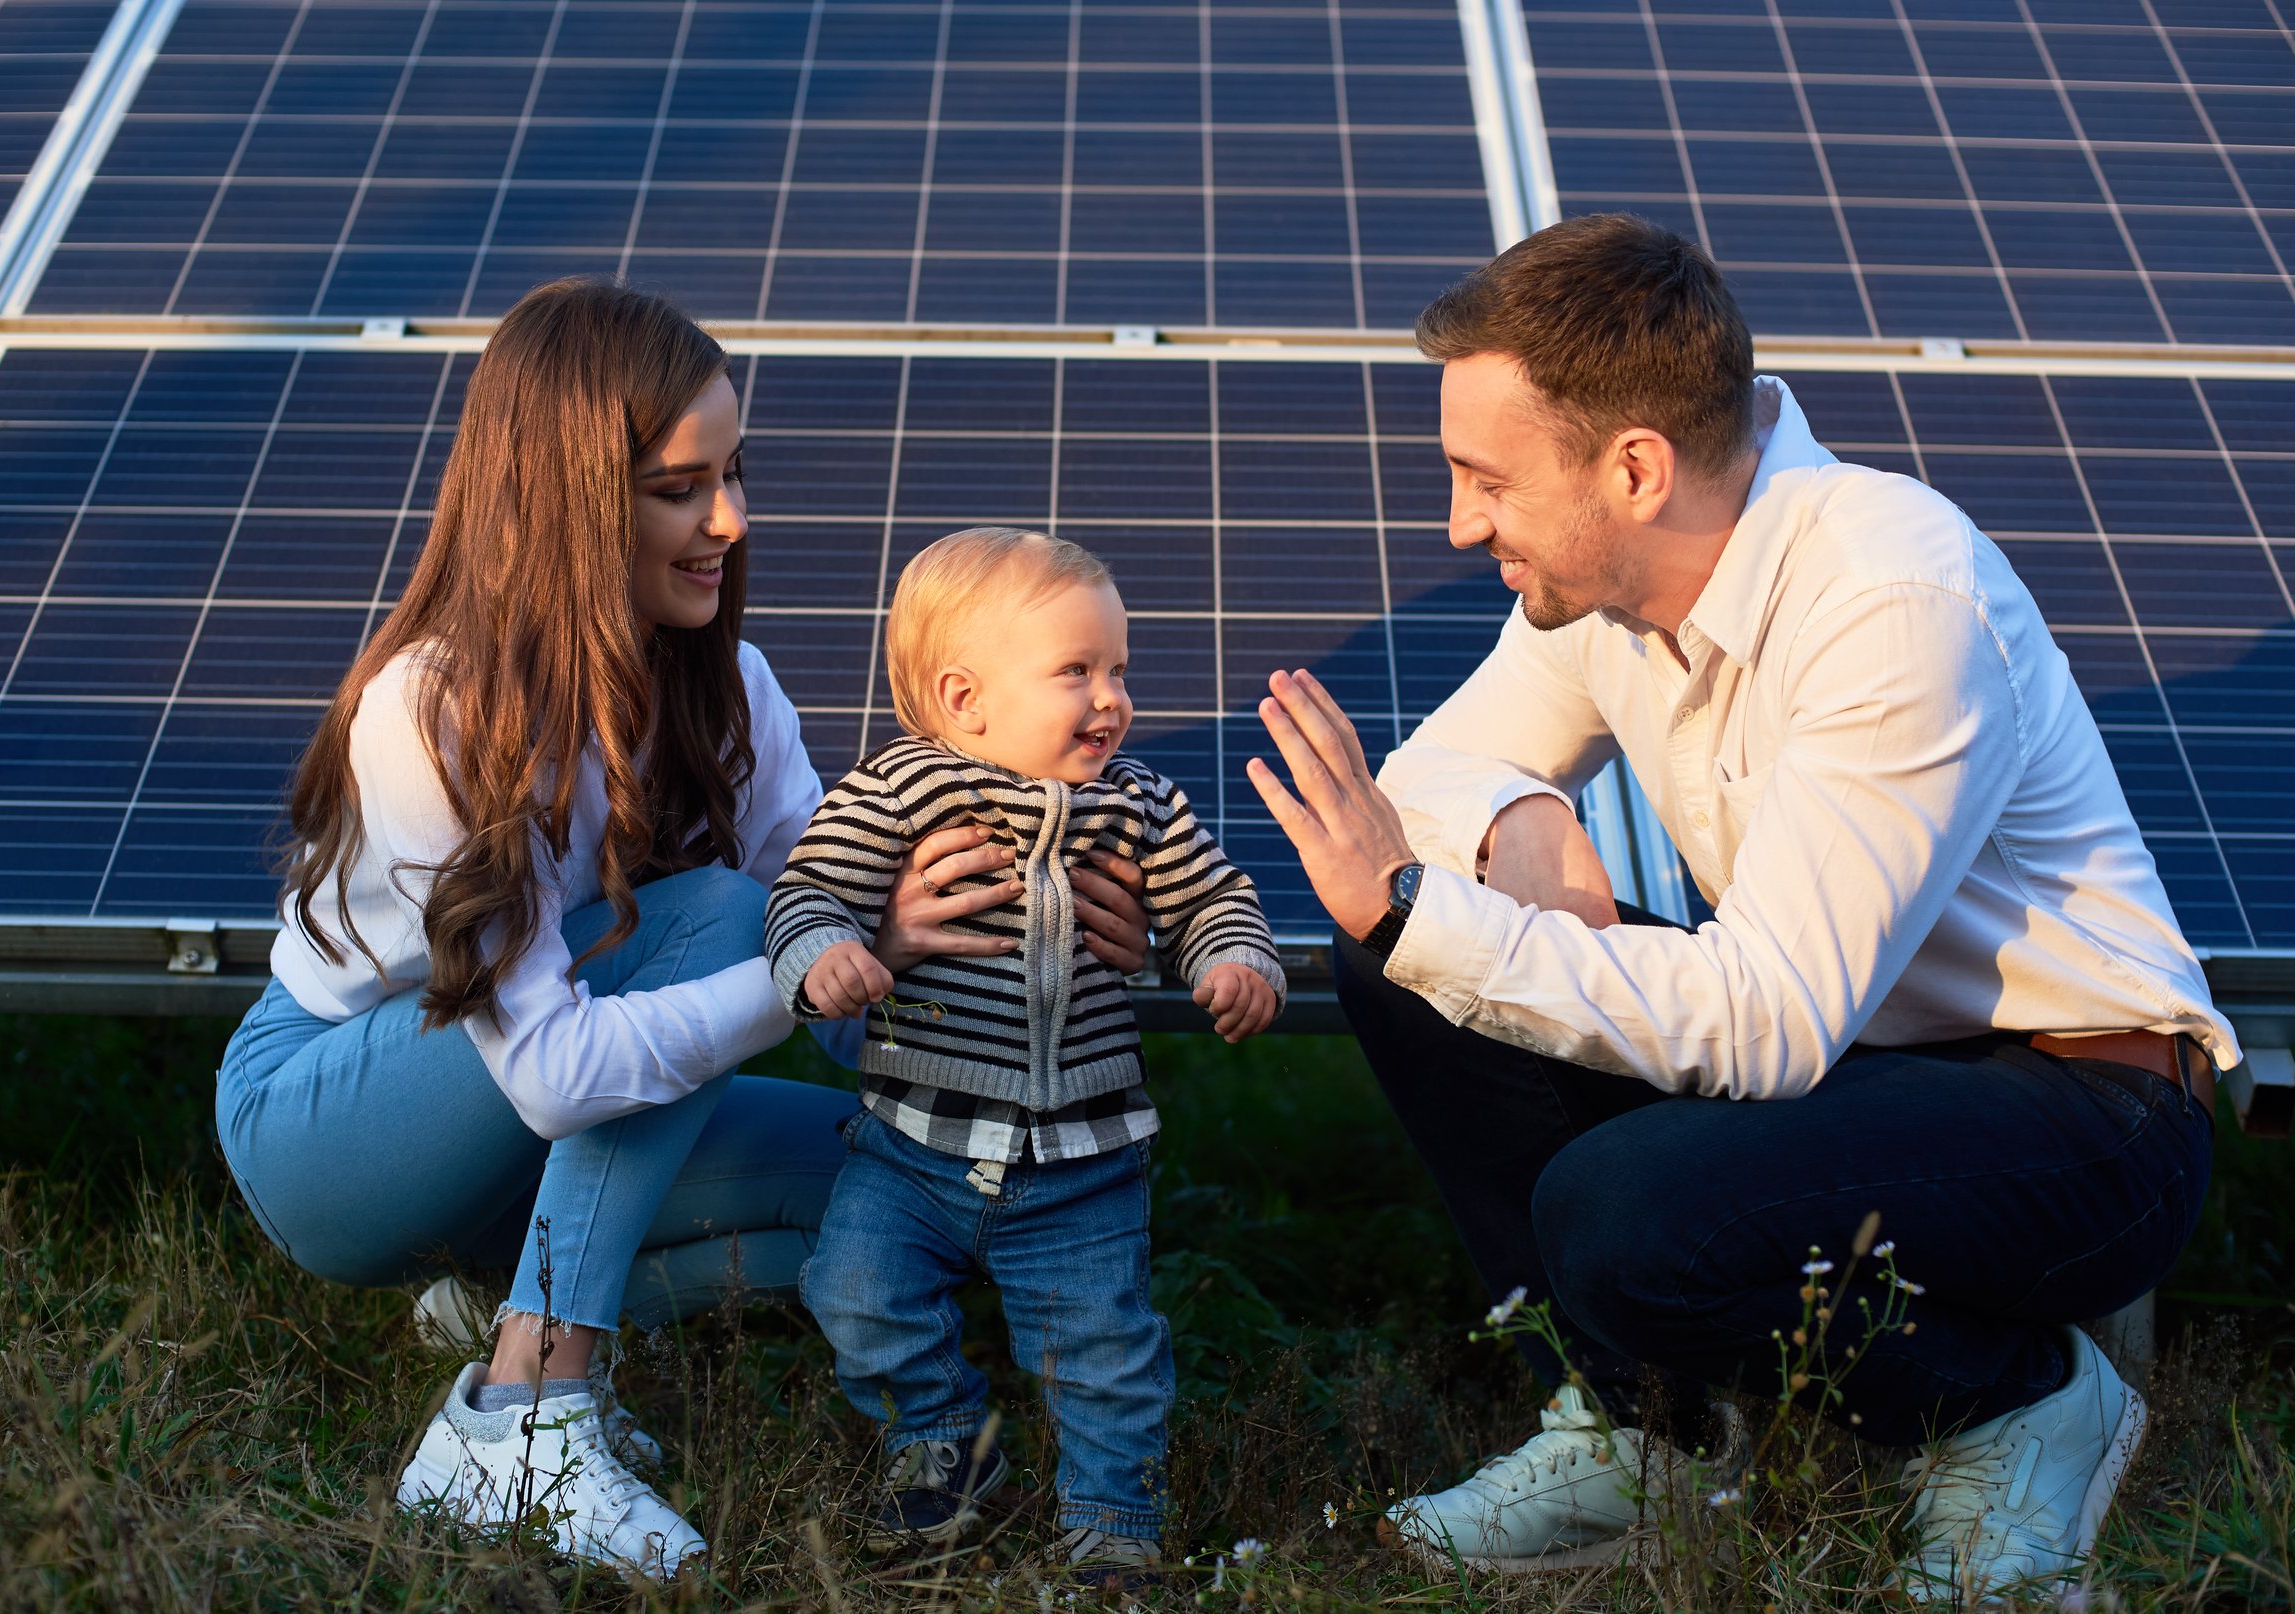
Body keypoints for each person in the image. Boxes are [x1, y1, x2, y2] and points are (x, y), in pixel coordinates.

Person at [1243, 215, 2235, 1604]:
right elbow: (1435, 773)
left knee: (1620, 1201)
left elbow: (1765, 1024)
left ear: (1635, 467)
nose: (1461, 523)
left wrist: (1428, 915)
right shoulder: (1603, 584)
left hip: (2080, 1113)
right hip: (1857, 1063)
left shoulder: (1891, 600)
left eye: (1487, 478)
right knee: (1403, 969)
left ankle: (2018, 1401)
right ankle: (1630, 1438)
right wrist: (1523, 817)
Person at [212, 286, 1158, 1578]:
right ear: (567, 501)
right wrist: (841, 946)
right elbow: (558, 1071)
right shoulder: (430, 707)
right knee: (722, 913)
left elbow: (854, 1015)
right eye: (678, 487)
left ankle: (510, 1295)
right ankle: (525, 1414)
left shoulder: (734, 685)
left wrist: (1041, 926)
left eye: (733, 474)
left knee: (920, 1188)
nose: (729, 520)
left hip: (521, 1136)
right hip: (338, 1129)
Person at [766, 528, 1284, 1576]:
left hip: (1081, 1157)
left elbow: (1213, 900)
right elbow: (808, 888)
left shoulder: (1139, 804)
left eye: (1118, 670)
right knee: (855, 1292)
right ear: (967, 700)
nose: (1112, 699)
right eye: (1076, 672)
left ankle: (1112, 1525)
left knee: (1102, 1351)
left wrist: (1236, 960)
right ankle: (942, 1452)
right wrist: (824, 953)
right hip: (914, 1142)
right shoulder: (900, 791)